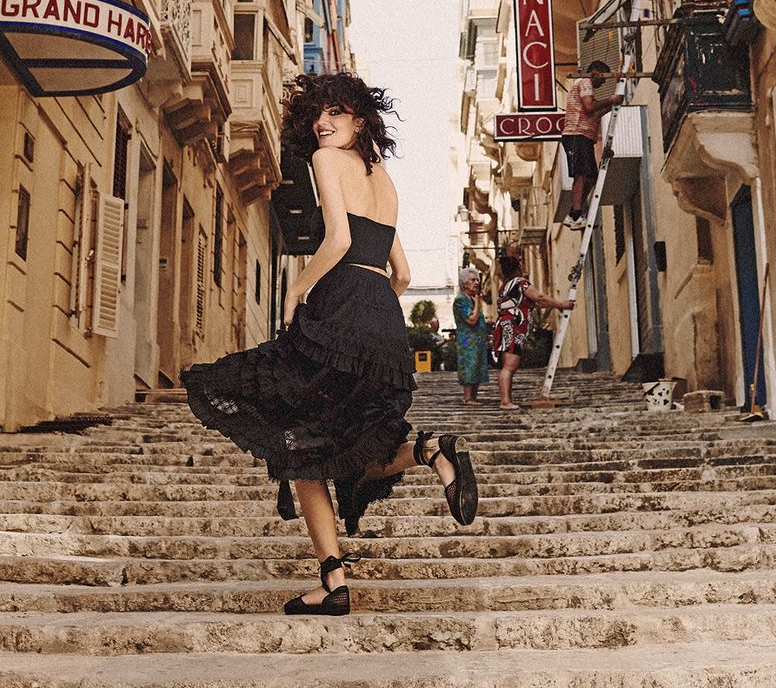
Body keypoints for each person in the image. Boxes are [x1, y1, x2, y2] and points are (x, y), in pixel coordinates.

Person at [181, 72, 478, 616]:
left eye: (335, 112)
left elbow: (338, 239)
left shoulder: (326, 161)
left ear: (360, 120)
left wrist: (299, 287)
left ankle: (334, 582)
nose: (323, 123)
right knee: (344, 445)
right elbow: (403, 274)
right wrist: (371, 313)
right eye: (317, 114)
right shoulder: (384, 179)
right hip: (381, 313)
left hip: (340, 305)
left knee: (295, 440)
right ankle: (431, 450)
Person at [493, 254, 574, 410]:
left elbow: (533, 304)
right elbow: (540, 297)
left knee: (509, 365)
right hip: (513, 327)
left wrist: (556, 305)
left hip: (506, 327)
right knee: (509, 366)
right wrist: (561, 304)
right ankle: (505, 401)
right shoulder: (521, 283)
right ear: (517, 268)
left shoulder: (506, 286)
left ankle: (507, 399)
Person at [561, 59, 623, 230]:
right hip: (576, 134)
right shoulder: (585, 82)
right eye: (602, 78)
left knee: (591, 176)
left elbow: (595, 113)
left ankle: (574, 213)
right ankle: (576, 213)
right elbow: (590, 107)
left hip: (584, 137)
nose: (602, 83)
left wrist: (617, 94)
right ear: (595, 73)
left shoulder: (587, 89)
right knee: (581, 174)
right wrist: (610, 99)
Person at [453, 267, 489, 405]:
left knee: (478, 366)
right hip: (468, 340)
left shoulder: (471, 298)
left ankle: (474, 397)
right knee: (469, 366)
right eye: (473, 280)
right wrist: (477, 304)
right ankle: (468, 398)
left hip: (478, 340)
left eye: (477, 280)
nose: (476, 283)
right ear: (464, 283)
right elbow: (471, 319)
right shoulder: (461, 299)